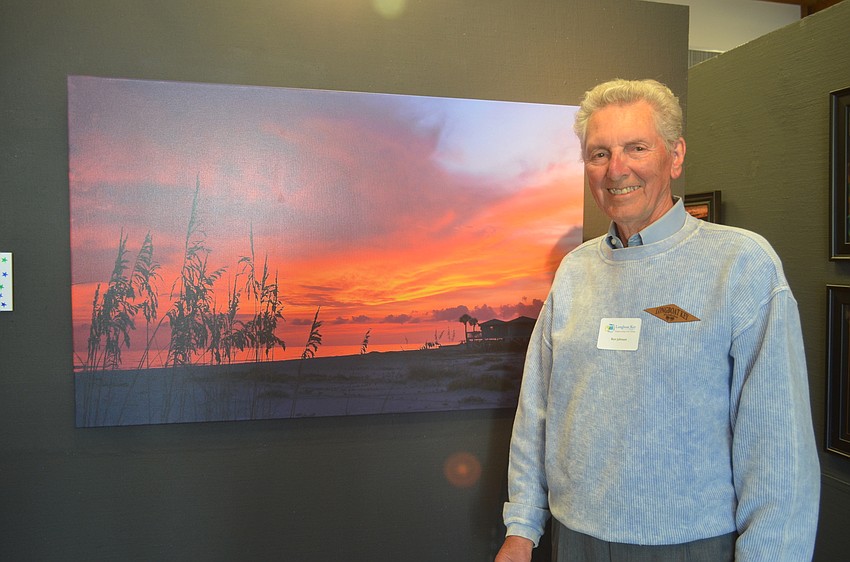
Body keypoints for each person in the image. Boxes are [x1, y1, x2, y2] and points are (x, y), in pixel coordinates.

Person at [495, 78, 820, 562]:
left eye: (636, 148)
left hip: (693, 545)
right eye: (599, 153)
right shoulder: (575, 270)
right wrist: (522, 527)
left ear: (675, 155)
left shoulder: (742, 264)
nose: (616, 169)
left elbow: (778, 446)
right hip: (575, 538)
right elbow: (537, 409)